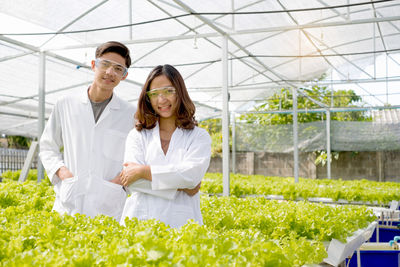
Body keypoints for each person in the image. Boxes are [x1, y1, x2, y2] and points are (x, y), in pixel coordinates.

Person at [39, 41, 135, 221]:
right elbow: (47, 146)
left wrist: (118, 183)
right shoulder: (65, 103)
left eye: (118, 68)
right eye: (105, 64)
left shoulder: (130, 114)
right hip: (69, 200)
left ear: (124, 75)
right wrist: (62, 172)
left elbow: (136, 158)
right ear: (93, 65)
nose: (110, 72)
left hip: (109, 205)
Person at [119, 64, 211, 228]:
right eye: (154, 94)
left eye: (169, 91)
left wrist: (143, 171)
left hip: (182, 224)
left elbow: (191, 175)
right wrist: (182, 186)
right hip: (140, 220)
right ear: (148, 98)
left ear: (180, 92)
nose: (161, 100)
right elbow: (131, 182)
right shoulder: (137, 135)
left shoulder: (199, 136)